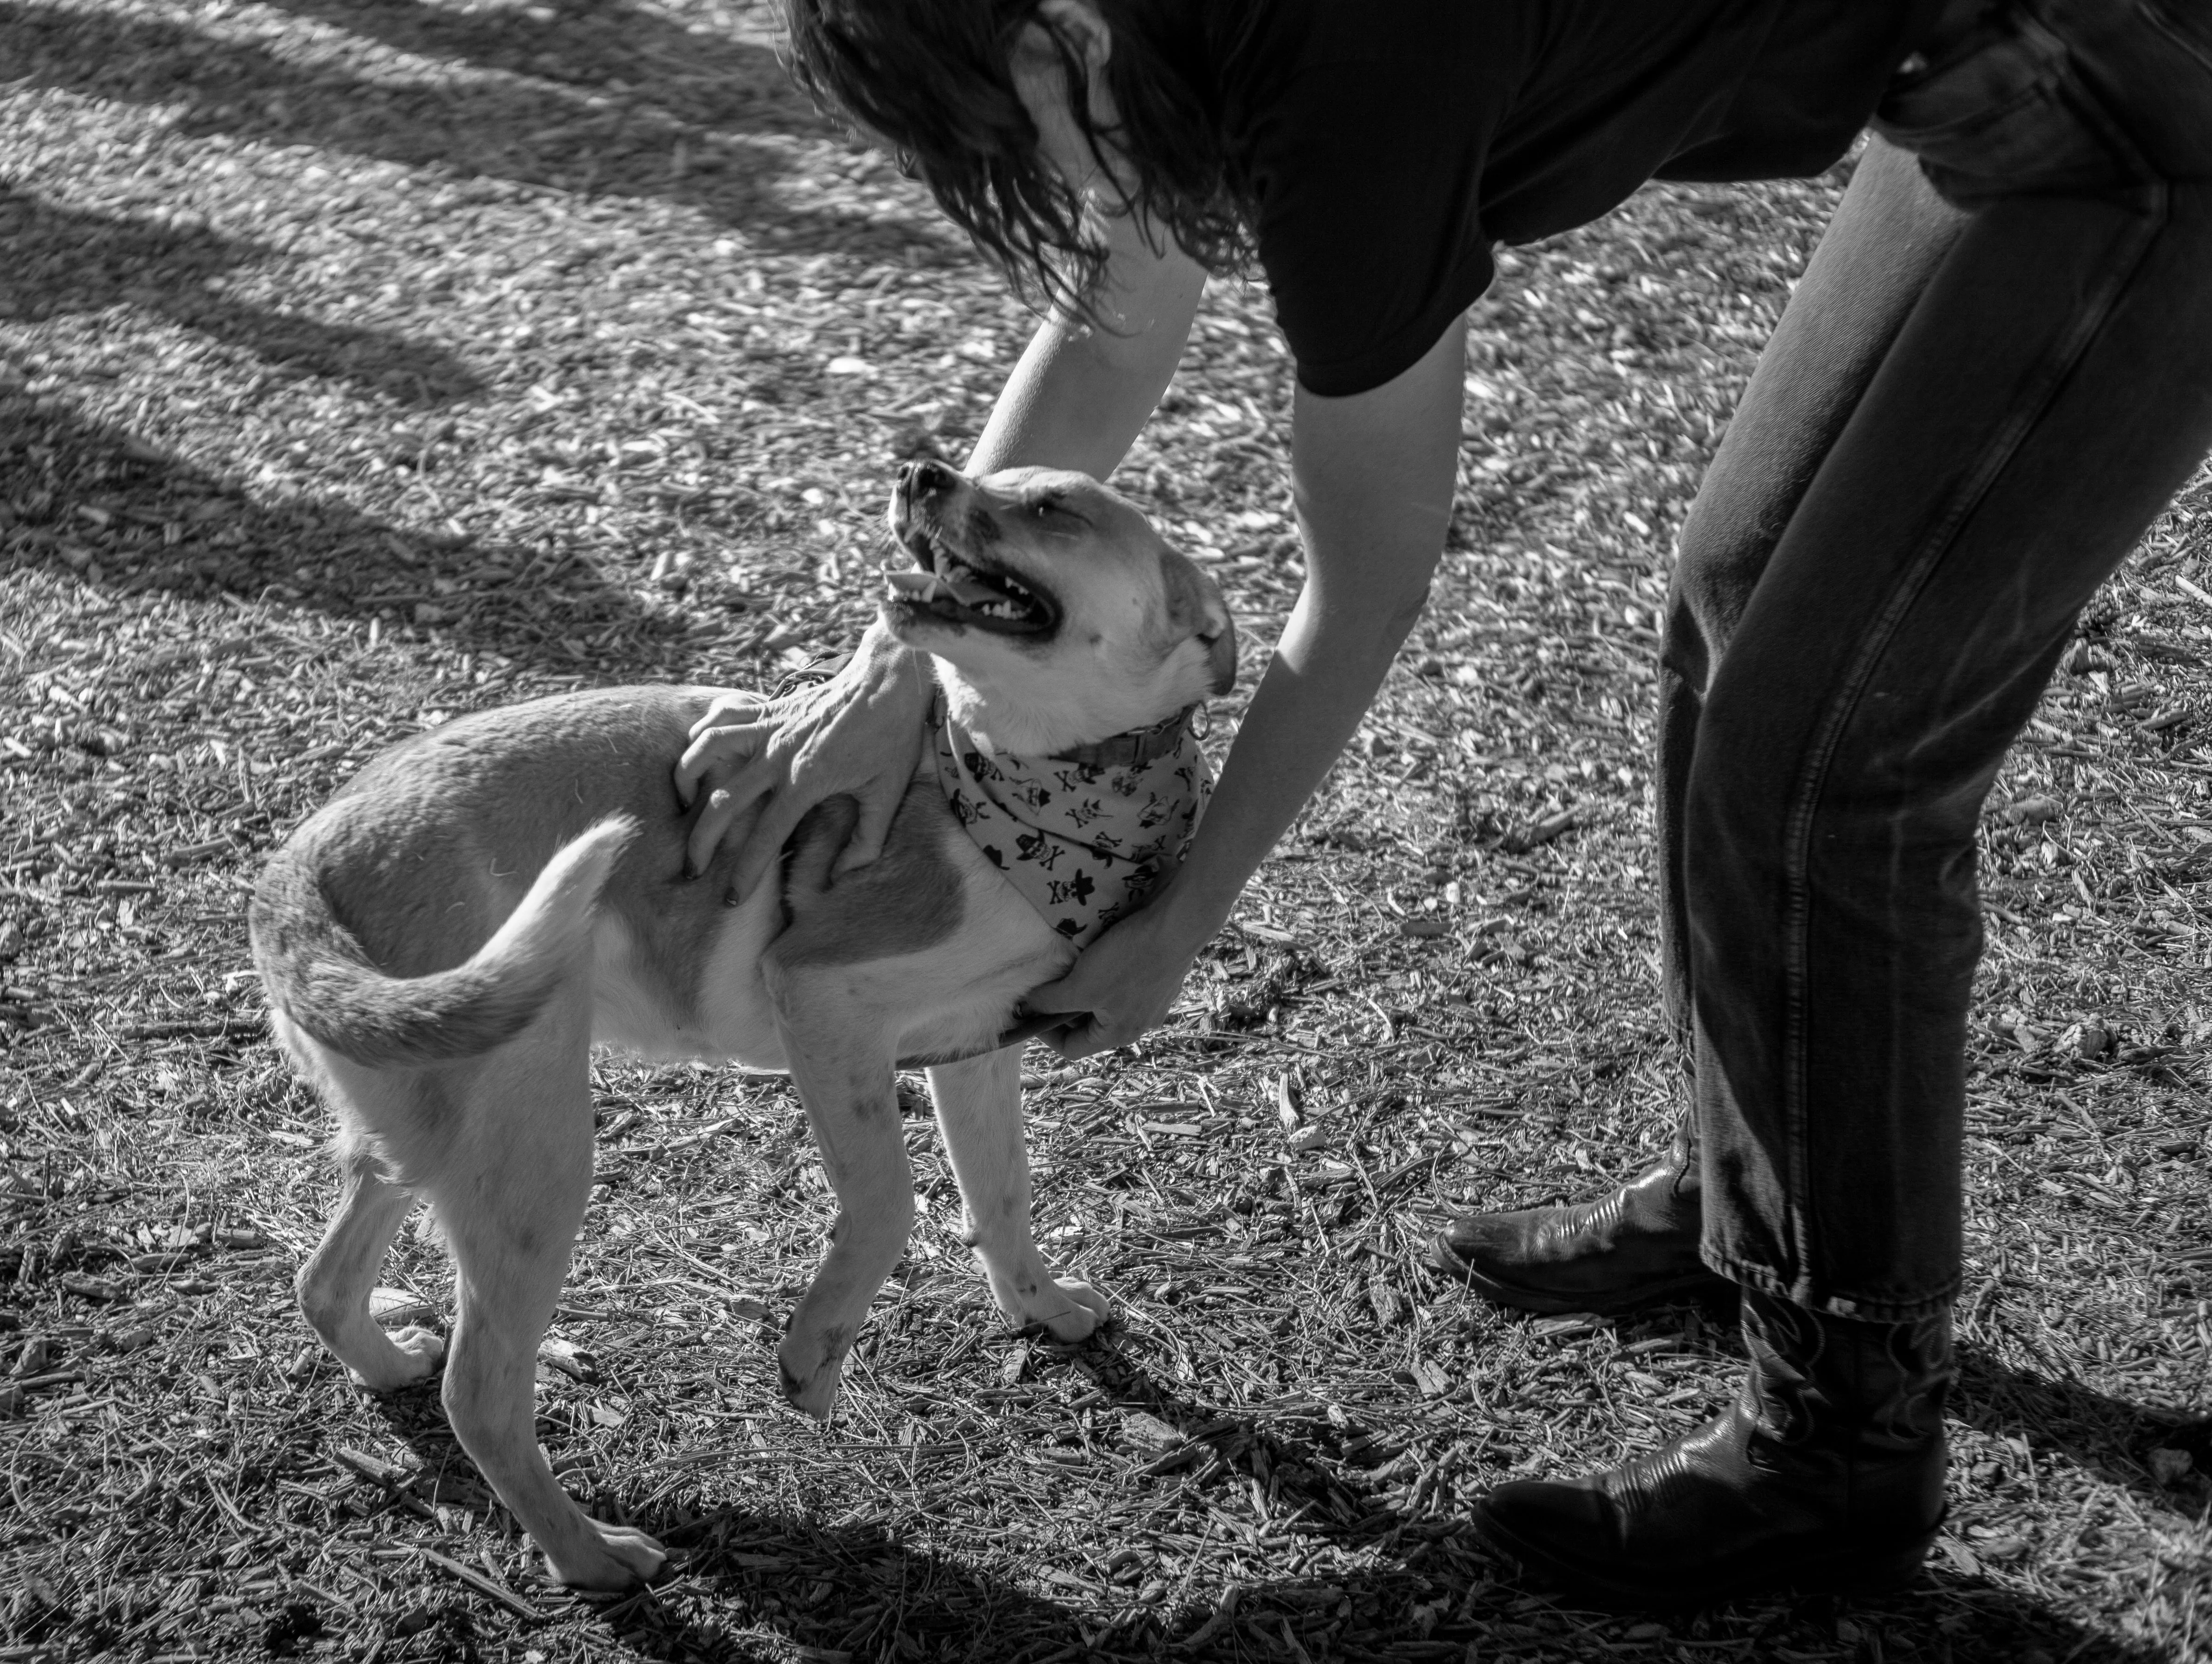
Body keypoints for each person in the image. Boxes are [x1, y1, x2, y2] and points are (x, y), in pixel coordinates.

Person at [673, 0, 2212, 1606]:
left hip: (2137, 102)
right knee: (1732, 603)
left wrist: (1178, 917)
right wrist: (886, 672)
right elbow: (1130, 296)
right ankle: (1756, 1191)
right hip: (1970, 72)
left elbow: (1365, 585)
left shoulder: (1345, 89)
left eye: (1016, 140)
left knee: (1827, 766)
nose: (1045, 187)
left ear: (1064, 46)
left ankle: (1843, 1440)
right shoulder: (1156, 38)